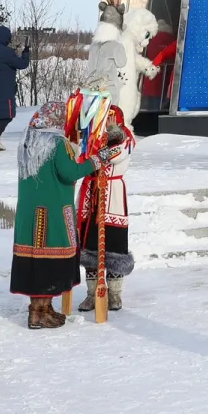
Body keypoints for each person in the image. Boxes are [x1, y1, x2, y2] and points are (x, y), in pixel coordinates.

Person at [10, 103, 123, 329]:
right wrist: (98, 159)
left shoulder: (28, 142)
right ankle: (40, 312)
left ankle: (40, 309)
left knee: (35, 259)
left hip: (29, 213)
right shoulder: (56, 143)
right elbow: (69, 172)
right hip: (52, 210)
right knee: (50, 260)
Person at [71, 96, 138, 311]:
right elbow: (80, 158)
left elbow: (114, 155)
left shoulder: (126, 138)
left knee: (115, 245)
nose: (106, 122)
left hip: (113, 196)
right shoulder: (90, 140)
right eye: (103, 119)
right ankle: (92, 293)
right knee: (89, 245)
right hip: (91, 194)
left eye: (110, 118)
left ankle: (115, 293)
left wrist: (105, 139)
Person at [0, 25, 31, 151]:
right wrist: (26, 53)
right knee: (8, 115)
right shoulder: (6, 52)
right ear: (6, 38)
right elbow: (22, 64)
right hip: (4, 90)